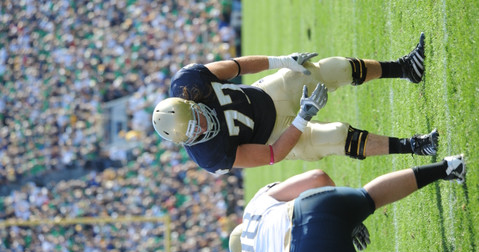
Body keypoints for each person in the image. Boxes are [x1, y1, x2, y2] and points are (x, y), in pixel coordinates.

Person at [152, 32, 439, 175]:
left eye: (197, 116)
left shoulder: (189, 82)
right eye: (195, 130)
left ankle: (405, 68)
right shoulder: (208, 155)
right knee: (336, 137)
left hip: (268, 94)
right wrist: (302, 118)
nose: (203, 124)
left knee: (332, 70)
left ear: (189, 102)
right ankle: (415, 146)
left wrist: (281, 61)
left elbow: (237, 65)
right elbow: (272, 155)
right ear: (186, 141)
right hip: (277, 137)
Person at [229, 154, 466, 252]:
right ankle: (449, 167)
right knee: (369, 196)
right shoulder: (254, 209)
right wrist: (345, 219)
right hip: (310, 206)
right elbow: (317, 177)